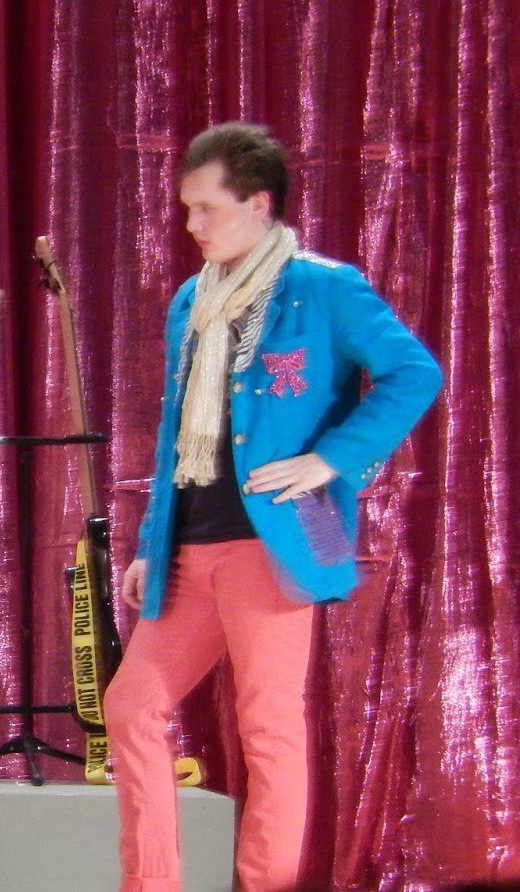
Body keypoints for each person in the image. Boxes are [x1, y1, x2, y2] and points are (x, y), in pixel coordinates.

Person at [105, 122, 442, 892]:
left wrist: (332, 458)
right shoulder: (191, 299)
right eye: (187, 209)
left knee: (268, 724)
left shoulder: (324, 286)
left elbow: (414, 373)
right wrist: (154, 540)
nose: (192, 224)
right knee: (131, 705)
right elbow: (174, 431)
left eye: (206, 208)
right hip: (192, 541)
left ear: (257, 204)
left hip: (284, 530)